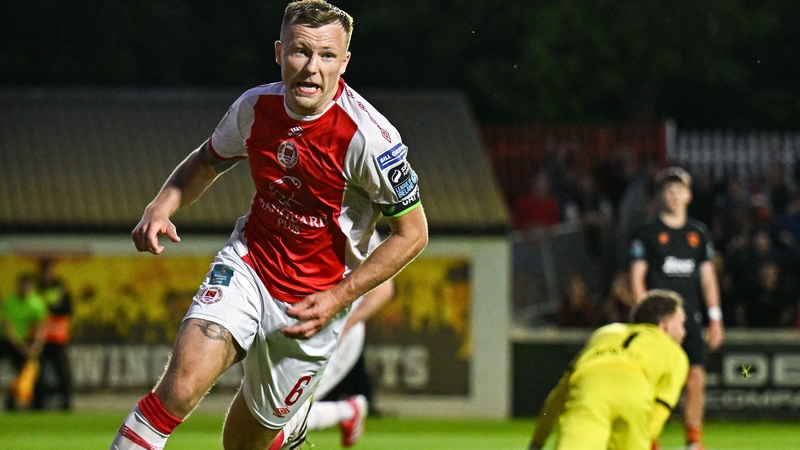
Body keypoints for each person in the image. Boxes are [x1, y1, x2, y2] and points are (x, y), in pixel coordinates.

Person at [110, 1, 428, 449]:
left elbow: (413, 233)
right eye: (300, 52)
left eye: (327, 56)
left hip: (312, 306)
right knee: (178, 391)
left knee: (244, 445)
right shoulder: (255, 107)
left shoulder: (371, 140)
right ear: (280, 53)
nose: (311, 68)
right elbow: (207, 160)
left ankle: (287, 432)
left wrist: (339, 296)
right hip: (248, 267)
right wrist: (162, 205)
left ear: (345, 62)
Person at [629, 167, 724, 450]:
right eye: (668, 191)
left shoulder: (698, 233)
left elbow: (708, 278)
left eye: (679, 190)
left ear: (688, 195)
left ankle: (693, 441)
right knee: (654, 383)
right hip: (659, 325)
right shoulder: (648, 233)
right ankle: (651, 439)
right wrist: (648, 319)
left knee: (695, 377)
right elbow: (636, 279)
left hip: (689, 321)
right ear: (661, 196)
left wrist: (715, 318)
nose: (674, 196)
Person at [527, 289, 689, 450]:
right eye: (681, 324)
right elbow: (659, 411)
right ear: (665, 324)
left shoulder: (604, 333)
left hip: (590, 388)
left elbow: (557, 397)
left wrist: (537, 442)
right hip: (635, 393)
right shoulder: (676, 354)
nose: (684, 333)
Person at [272, 275, 396, 449]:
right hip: (300, 332)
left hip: (336, 336)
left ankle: (348, 410)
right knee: (278, 411)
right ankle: (348, 410)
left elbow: (384, 289)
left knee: (284, 414)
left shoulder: (355, 248)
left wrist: (348, 325)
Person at [0, 273, 48, 410]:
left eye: (27, 285)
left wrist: (37, 346)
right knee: (12, 371)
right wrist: (23, 348)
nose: (24, 288)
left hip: (27, 343)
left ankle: (36, 404)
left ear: (31, 287)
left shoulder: (37, 303)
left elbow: (40, 327)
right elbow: (8, 329)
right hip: (8, 342)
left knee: (31, 371)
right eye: (22, 285)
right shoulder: (10, 301)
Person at [33, 258, 74, 411]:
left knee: (62, 372)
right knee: (38, 373)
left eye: (48, 271)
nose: (46, 274)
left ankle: (66, 403)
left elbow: (67, 309)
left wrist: (51, 308)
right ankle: (38, 404)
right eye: (44, 271)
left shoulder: (60, 288)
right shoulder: (36, 289)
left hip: (57, 337)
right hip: (40, 339)